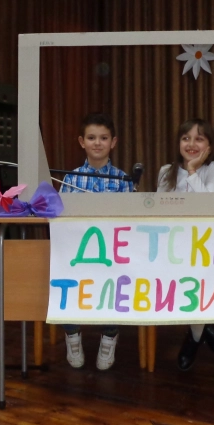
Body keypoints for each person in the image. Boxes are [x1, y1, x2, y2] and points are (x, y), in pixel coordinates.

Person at [59, 112, 133, 370]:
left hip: (112, 253)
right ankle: (72, 334)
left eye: (103, 138)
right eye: (91, 138)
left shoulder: (124, 180)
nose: (97, 143)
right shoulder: (70, 178)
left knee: (119, 284)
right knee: (63, 280)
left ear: (113, 142)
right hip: (77, 252)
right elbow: (60, 217)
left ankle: (109, 336)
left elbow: (132, 221)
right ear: (82, 142)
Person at [156, 118, 214, 371]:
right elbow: (158, 209)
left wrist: (193, 170)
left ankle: (193, 338)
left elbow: (210, 203)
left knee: (196, 280)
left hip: (203, 245)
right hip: (171, 245)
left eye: (199, 139)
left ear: (209, 146)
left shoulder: (212, 169)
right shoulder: (166, 171)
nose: (191, 144)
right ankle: (203, 327)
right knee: (182, 280)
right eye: (186, 138)